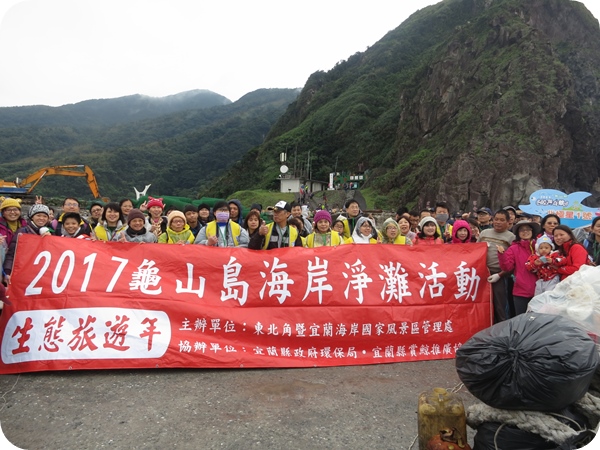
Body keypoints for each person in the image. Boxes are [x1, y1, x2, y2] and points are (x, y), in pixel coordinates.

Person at [478, 209, 515, 323]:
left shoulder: (511, 237)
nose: (498, 222)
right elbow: (476, 251)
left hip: (500, 275)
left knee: (500, 305)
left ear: (508, 222)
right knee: (482, 303)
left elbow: (513, 261)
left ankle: (502, 329)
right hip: (482, 273)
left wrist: (499, 275)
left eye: (502, 220)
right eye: (496, 219)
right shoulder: (484, 233)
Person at [497, 220, 541, 316]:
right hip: (521, 292)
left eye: (528, 229)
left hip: (540, 291)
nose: (525, 232)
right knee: (521, 321)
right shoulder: (514, 248)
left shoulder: (540, 246)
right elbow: (507, 267)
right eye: (522, 230)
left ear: (532, 231)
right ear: (518, 233)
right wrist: (502, 255)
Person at [3, 204, 53, 279]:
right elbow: (12, 254)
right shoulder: (22, 232)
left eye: (45, 216)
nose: (41, 218)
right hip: (24, 270)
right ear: (32, 217)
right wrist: (7, 272)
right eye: (38, 215)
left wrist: (50, 240)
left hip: (41, 273)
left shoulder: (51, 232)